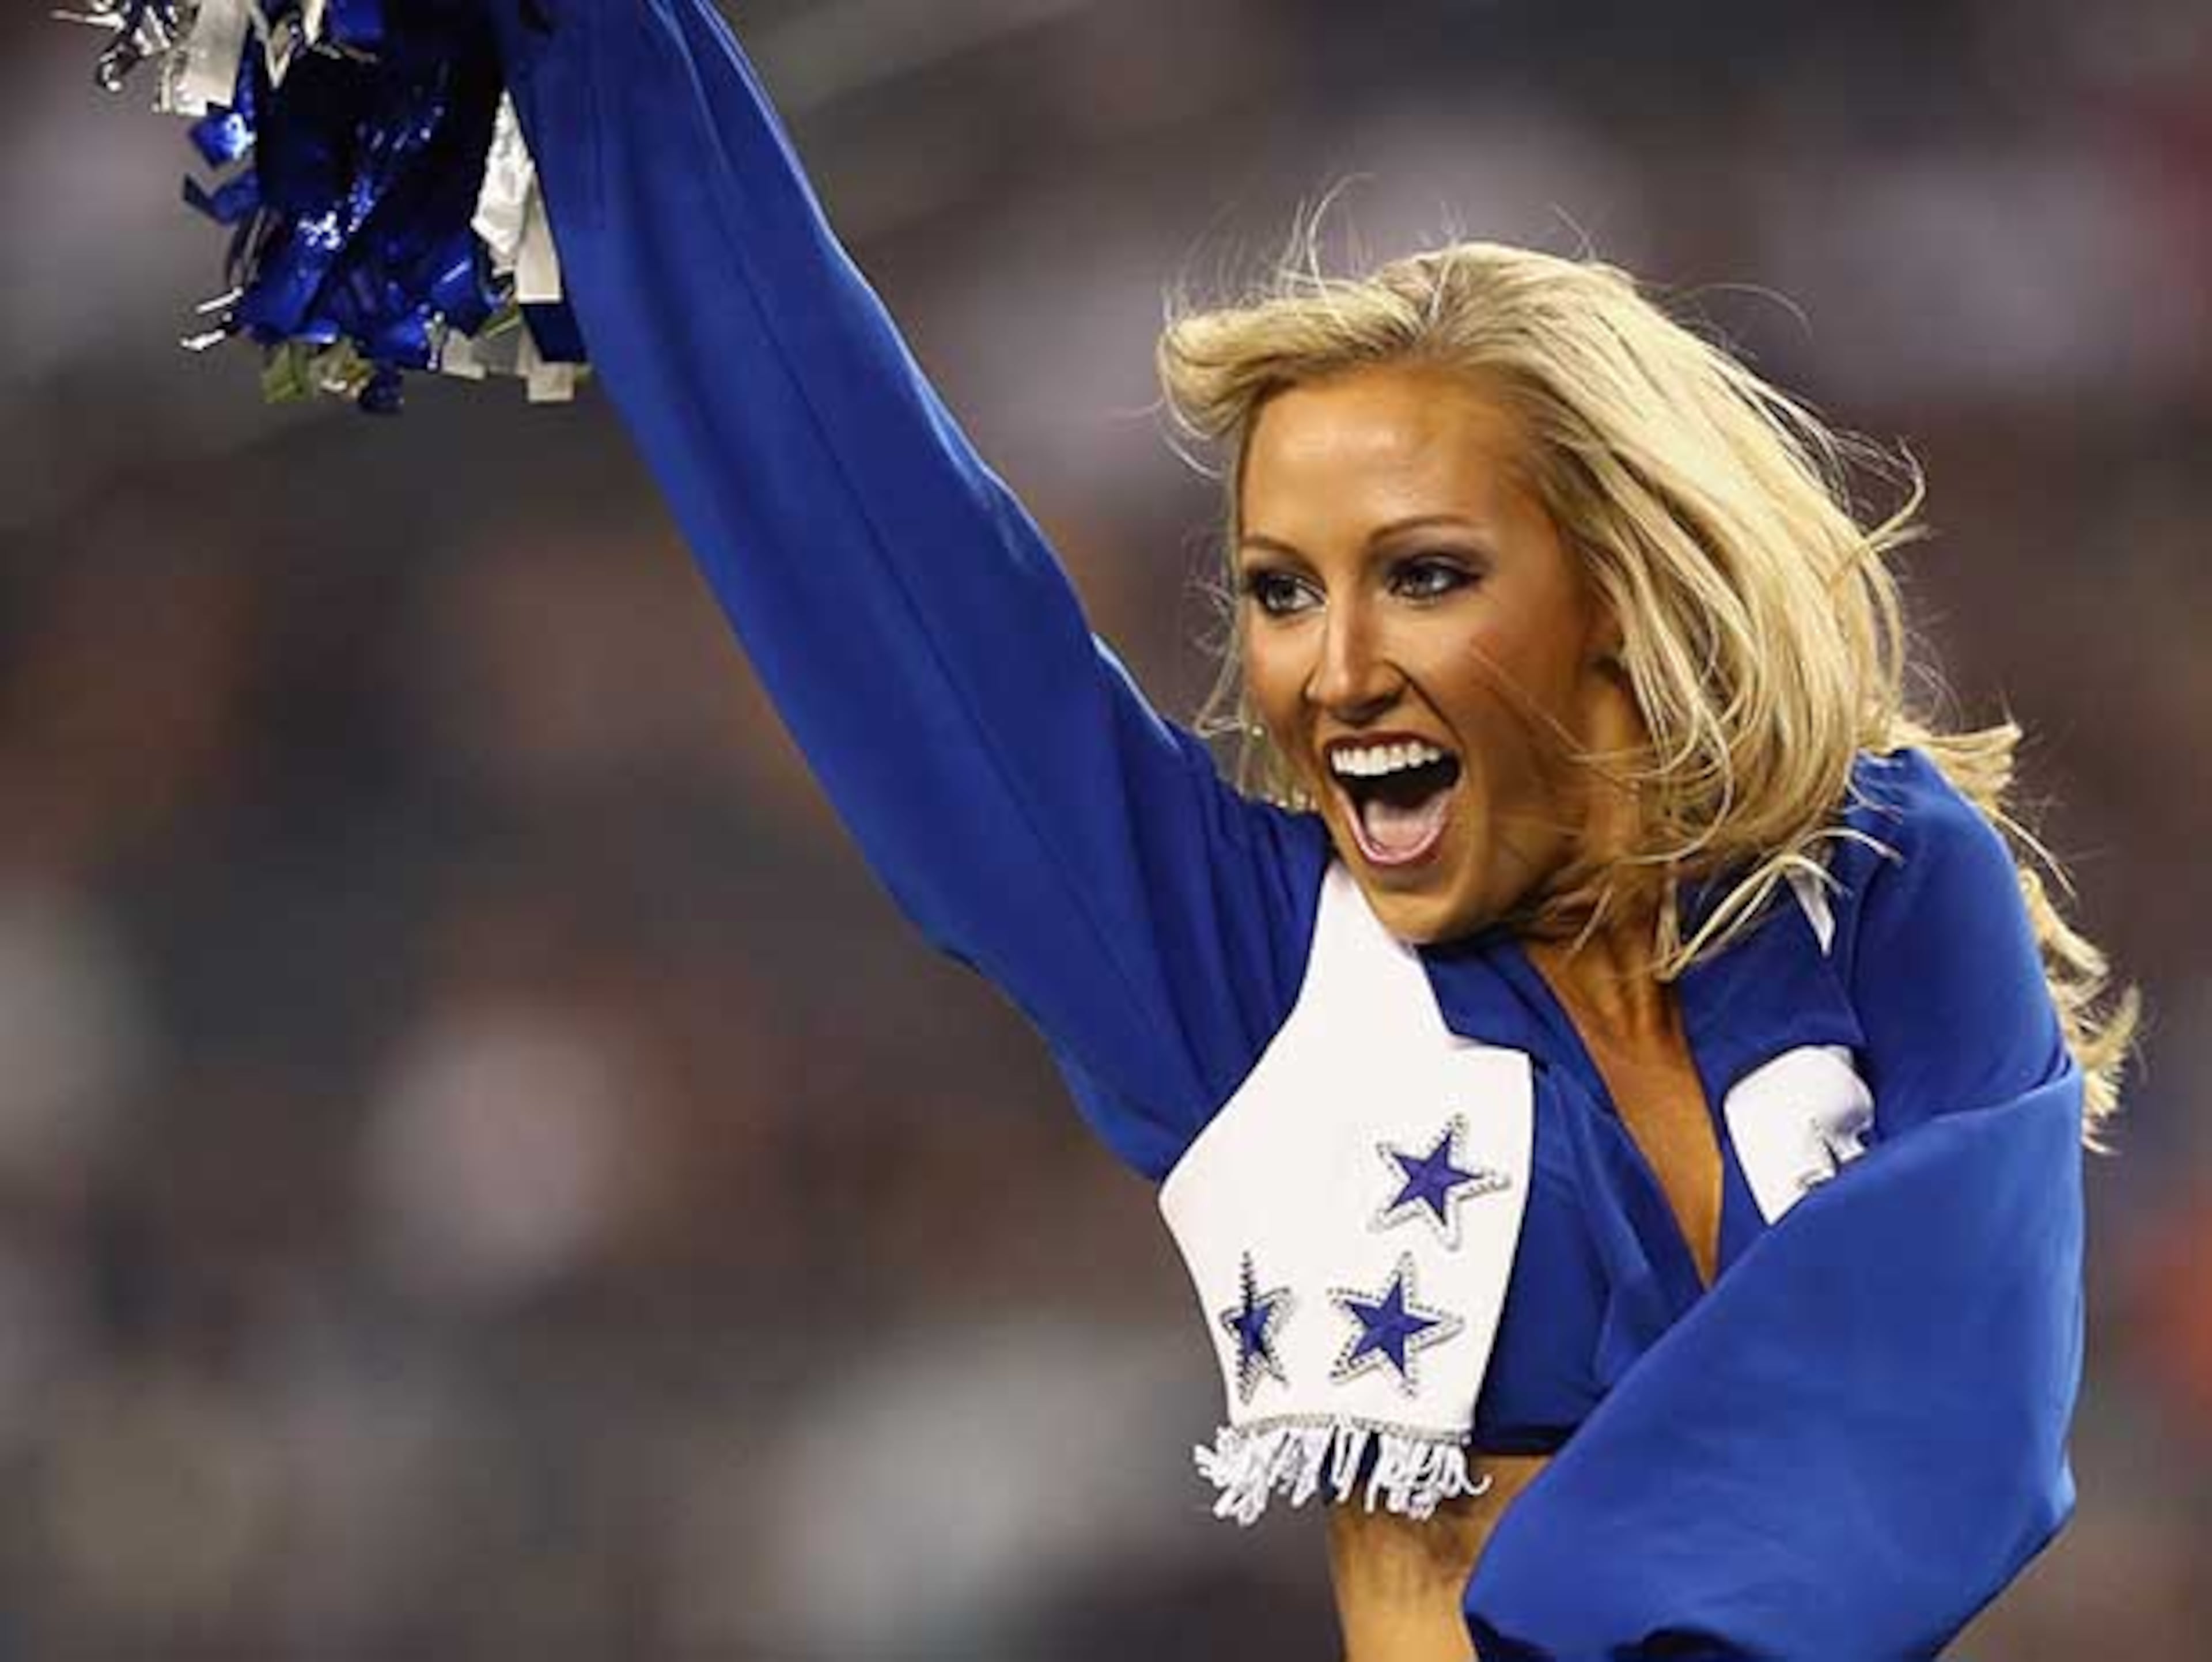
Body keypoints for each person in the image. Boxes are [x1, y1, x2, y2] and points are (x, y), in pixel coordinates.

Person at [88, 1, 2138, 1654]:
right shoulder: (1251, 989)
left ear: (1622, 590)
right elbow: (861, 524)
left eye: (1422, 574)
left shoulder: (1871, 875)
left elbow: (1974, 1383)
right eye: (1276, 590)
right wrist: (602, 38)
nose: (1331, 670)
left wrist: (1559, 1594)